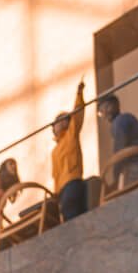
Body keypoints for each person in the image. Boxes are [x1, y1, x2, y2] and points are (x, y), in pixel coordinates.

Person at [98, 91, 138, 188]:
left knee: (132, 200)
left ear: (116, 104)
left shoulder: (120, 121)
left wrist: (115, 179)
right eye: (101, 112)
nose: (105, 113)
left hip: (136, 168)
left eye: (107, 107)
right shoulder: (128, 119)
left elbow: (119, 151)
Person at [51, 81, 88, 220]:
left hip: (73, 181)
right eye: (57, 122)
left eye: (63, 120)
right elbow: (55, 175)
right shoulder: (54, 151)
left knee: (71, 212)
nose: (59, 124)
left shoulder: (71, 135)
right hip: (61, 190)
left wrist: (79, 95)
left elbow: (77, 115)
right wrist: (55, 195)